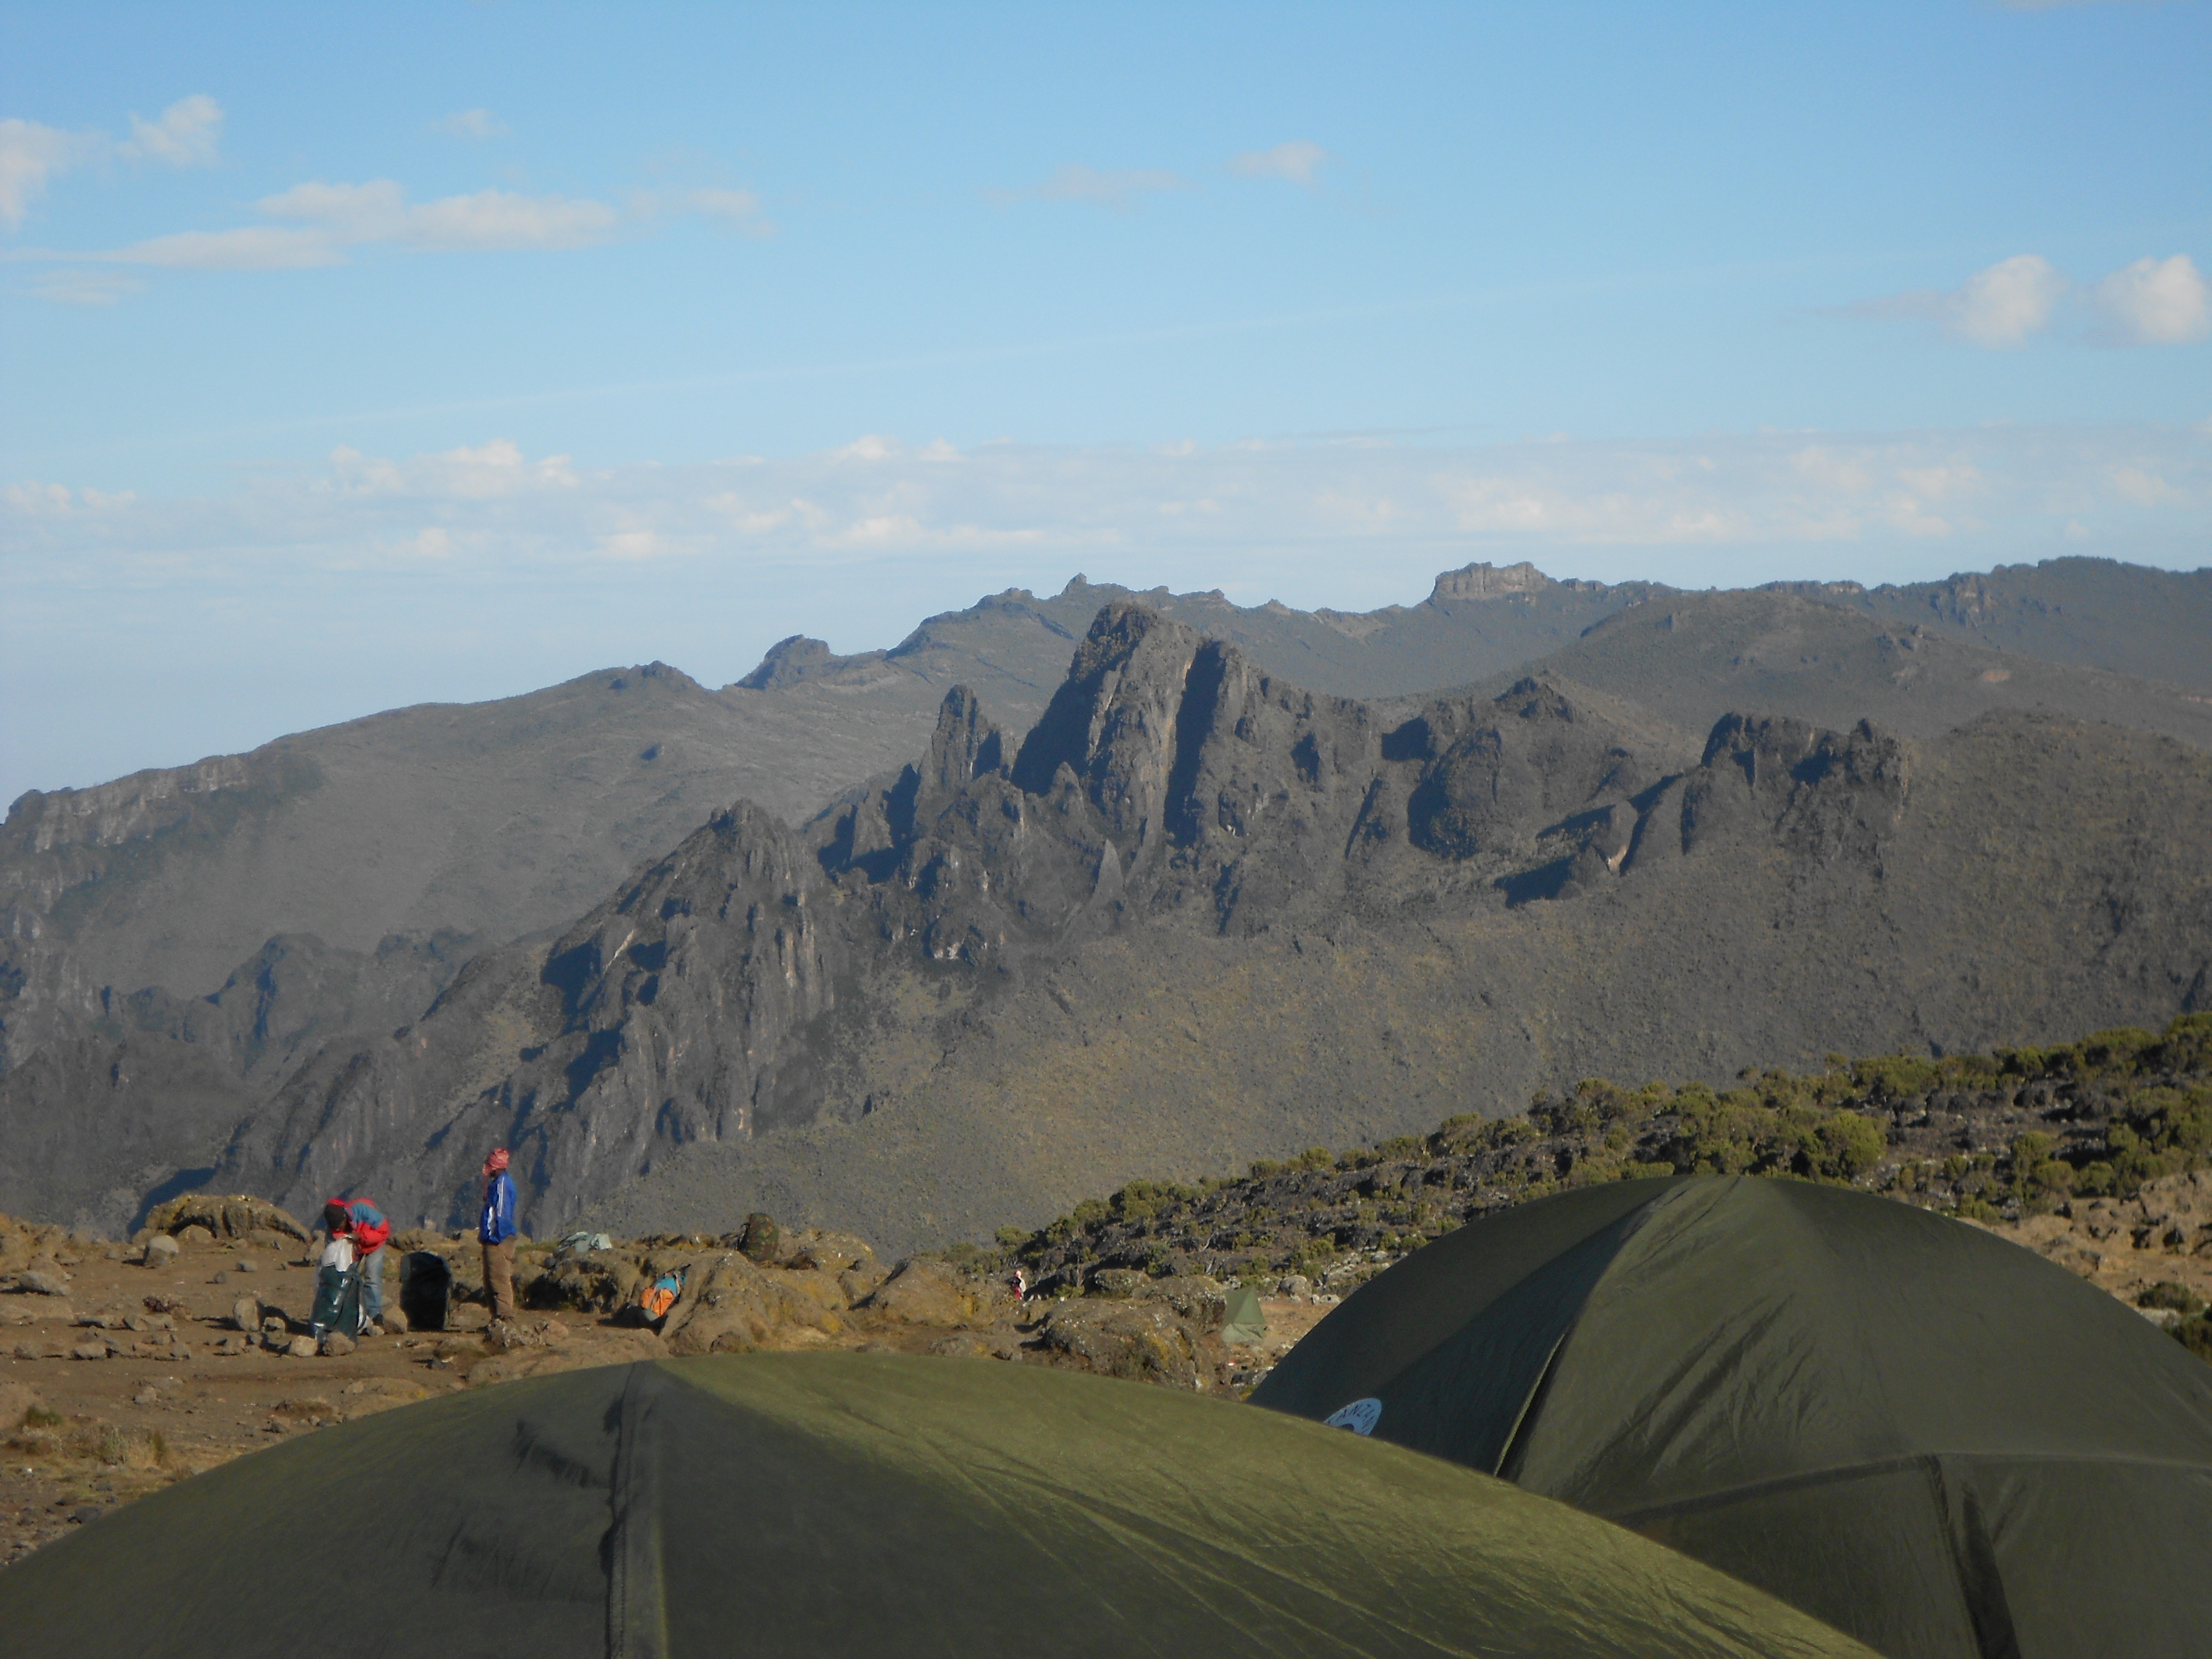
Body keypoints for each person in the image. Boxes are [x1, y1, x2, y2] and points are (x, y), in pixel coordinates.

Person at [322, 1197, 392, 1332]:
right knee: (349, 1277)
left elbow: (384, 1231)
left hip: (375, 1244)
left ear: (345, 1218)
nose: (339, 1229)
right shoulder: (333, 1232)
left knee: (372, 1278)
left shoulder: (362, 1211)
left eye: (340, 1225)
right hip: (354, 1247)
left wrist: (361, 1237)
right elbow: (331, 1255)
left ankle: (374, 1314)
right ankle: (351, 1314)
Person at [479, 1147, 518, 1325]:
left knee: (499, 1278)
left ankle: (505, 1318)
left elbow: (500, 1213)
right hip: (493, 1238)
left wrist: (495, 1237)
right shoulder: (499, 1184)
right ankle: (496, 1318)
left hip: (498, 1239)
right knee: (490, 1280)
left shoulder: (502, 1185)